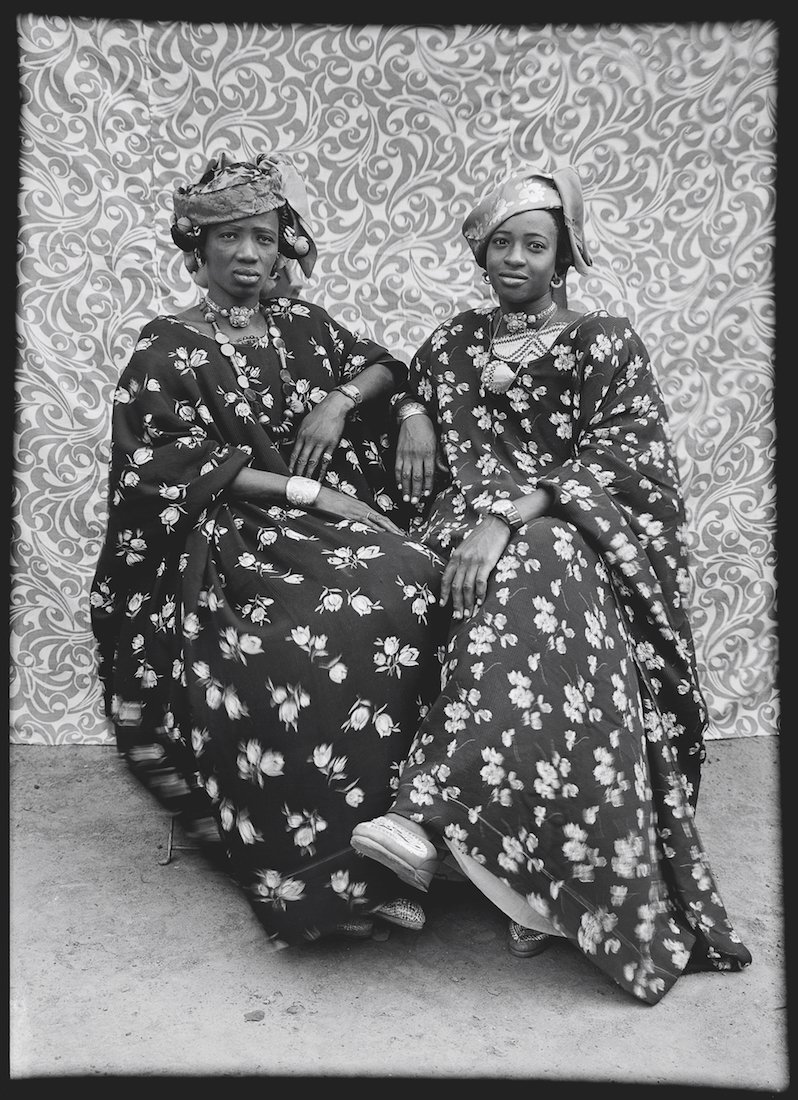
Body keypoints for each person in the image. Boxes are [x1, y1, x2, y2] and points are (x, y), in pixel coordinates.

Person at [351, 163, 753, 1004]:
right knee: (439, 575)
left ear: (564, 254)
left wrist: (514, 515)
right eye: (501, 243)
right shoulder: (459, 340)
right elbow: (407, 380)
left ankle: (448, 826)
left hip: (570, 532)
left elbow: (627, 458)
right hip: (463, 526)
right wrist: (417, 414)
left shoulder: (603, 338)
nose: (515, 259)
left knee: (542, 563)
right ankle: (513, 875)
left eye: (535, 244)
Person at [89, 151, 446, 946]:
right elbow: (160, 466)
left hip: (318, 532)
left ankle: (408, 832)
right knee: (300, 639)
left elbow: (386, 364)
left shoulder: (300, 325)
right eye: (231, 239)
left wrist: (356, 403)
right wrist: (310, 491)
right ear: (198, 248)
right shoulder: (166, 345)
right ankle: (329, 873)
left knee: (417, 580)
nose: (250, 254)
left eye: (262, 236)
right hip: (223, 540)